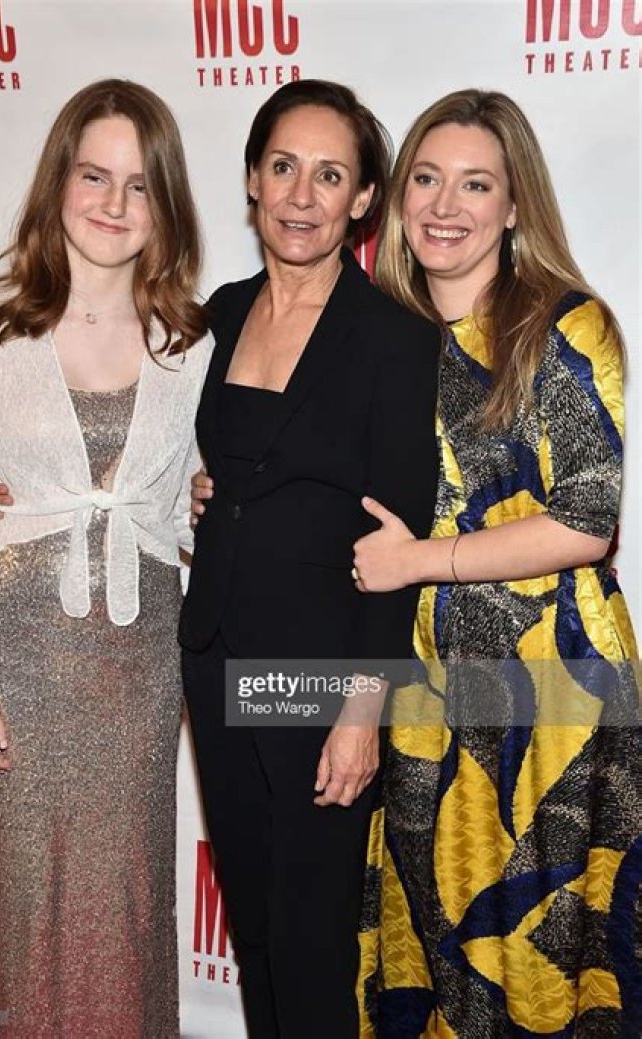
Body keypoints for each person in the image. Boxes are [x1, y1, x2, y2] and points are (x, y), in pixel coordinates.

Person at [348, 90, 641, 1037]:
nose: (445, 206)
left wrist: (419, 560)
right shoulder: (377, 332)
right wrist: (224, 493)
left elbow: (587, 521)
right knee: (436, 950)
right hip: (424, 685)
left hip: (553, 691)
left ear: (515, 206)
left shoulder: (563, 326)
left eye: (475, 185)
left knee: (537, 964)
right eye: (426, 179)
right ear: (397, 197)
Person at [0, 79, 211, 1038]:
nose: (114, 203)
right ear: (59, 181)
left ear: (166, 204)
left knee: (130, 913)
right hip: (17, 663)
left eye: (139, 184)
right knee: (26, 912)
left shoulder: (191, 344)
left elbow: (197, 496)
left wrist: (208, 496)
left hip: (139, 671)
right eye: (95, 175)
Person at [178, 80, 439, 1039]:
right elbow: (148, 447)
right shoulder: (217, 315)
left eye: (330, 176)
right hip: (214, 653)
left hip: (318, 673)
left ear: (363, 200)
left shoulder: (393, 340)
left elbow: (396, 538)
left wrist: (361, 710)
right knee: (253, 922)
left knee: (311, 935)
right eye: (283, 166)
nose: (301, 194)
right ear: (252, 178)